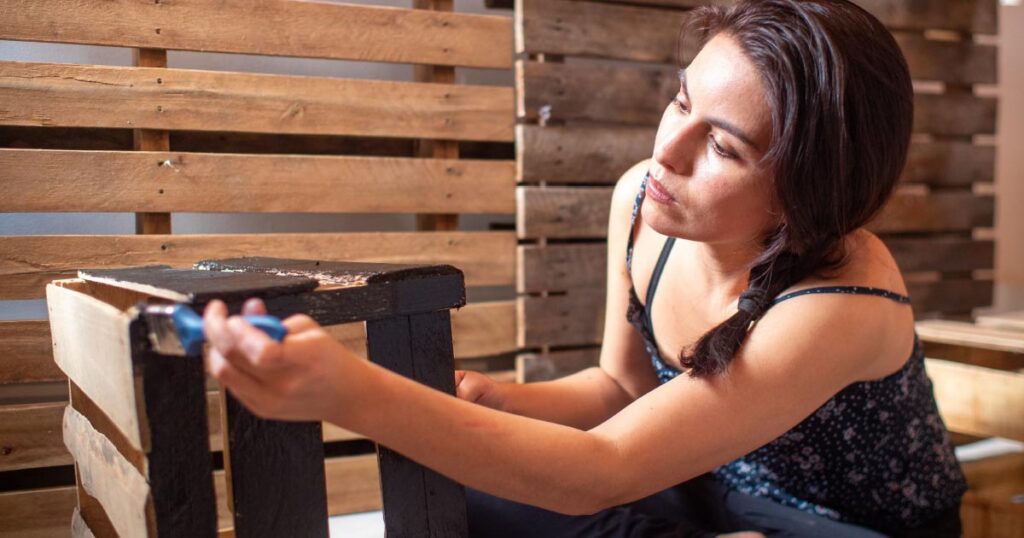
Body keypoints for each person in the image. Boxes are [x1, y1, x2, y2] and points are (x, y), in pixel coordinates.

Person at [202, 1, 966, 536]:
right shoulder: (643, 200)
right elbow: (620, 391)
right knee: (466, 484)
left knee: (528, 479)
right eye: (679, 103)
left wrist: (348, 391)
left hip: (845, 528)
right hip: (710, 493)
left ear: (809, 191)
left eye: (724, 147)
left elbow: (605, 468)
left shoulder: (842, 300)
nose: (667, 151)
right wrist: (502, 398)